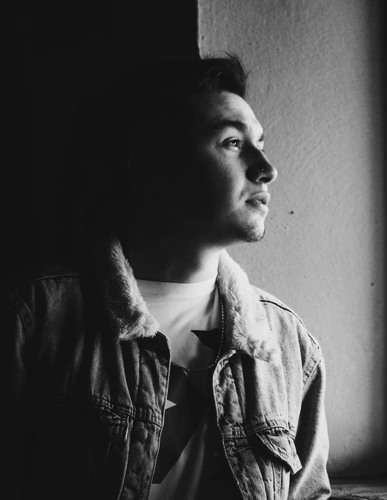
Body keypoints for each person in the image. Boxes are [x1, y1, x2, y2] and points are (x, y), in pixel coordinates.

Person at [2, 54, 331, 500]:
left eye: (260, 143)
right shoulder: (33, 317)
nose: (266, 169)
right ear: (150, 167)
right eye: (232, 143)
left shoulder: (287, 341)